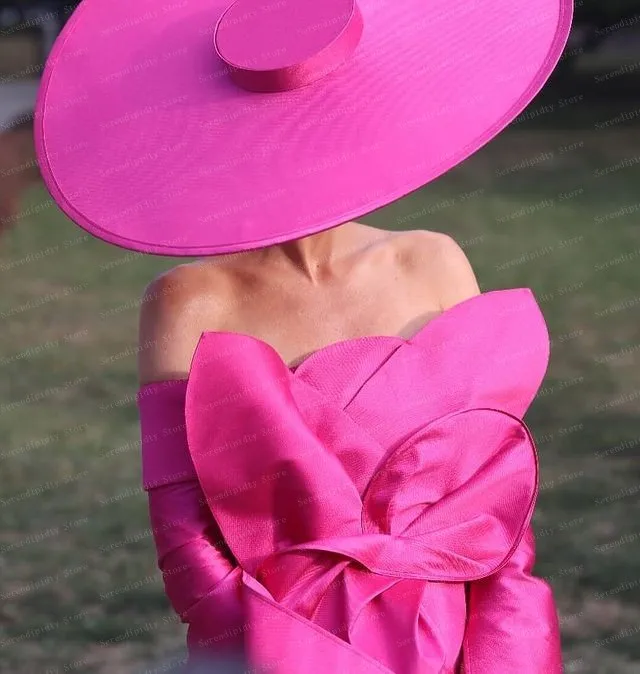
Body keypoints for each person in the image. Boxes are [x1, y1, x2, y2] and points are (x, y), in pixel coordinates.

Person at [34, 0, 574, 671]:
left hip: (453, 642)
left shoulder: (431, 263)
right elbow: (185, 543)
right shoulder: (189, 302)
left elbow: (494, 501)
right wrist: (292, 651)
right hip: (277, 647)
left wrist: (507, 645)